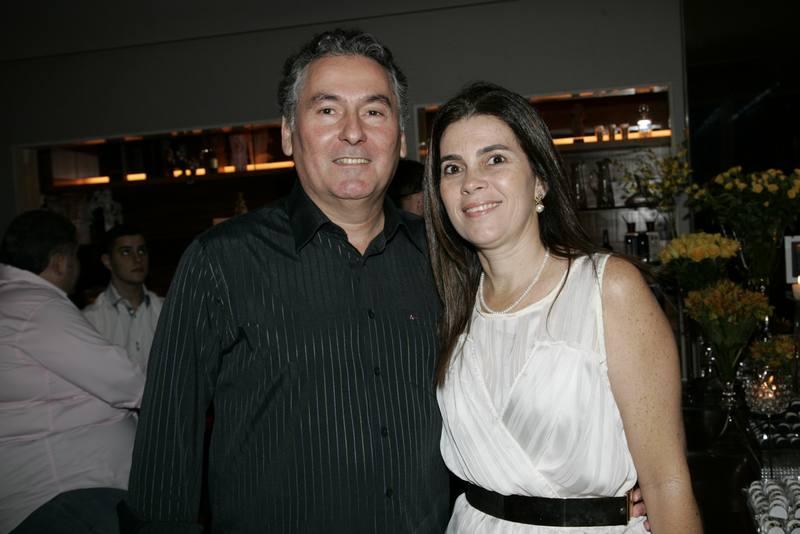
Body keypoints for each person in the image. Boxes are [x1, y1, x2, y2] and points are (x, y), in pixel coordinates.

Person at [119, 29, 450, 533]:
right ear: (288, 135)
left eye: (374, 111)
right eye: (327, 110)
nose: (354, 132)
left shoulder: (444, 257)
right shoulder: (221, 261)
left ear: (401, 139)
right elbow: (169, 434)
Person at [422, 82, 701, 533]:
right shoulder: (451, 303)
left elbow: (667, 483)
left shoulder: (606, 289)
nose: (471, 182)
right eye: (453, 168)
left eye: (495, 159)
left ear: (540, 181)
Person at [0, 210, 145, 534]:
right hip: (65, 493)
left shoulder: (12, 302)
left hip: (53, 494)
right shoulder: (36, 307)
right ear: (60, 261)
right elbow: (128, 383)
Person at [83, 225, 163, 374]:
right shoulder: (90, 320)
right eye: (126, 252)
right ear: (107, 261)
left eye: (141, 251)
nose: (137, 259)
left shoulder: (168, 311)